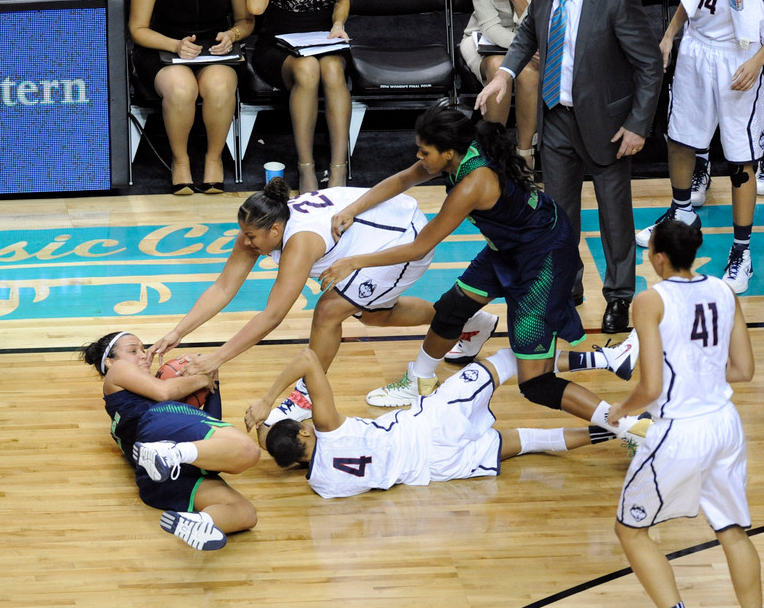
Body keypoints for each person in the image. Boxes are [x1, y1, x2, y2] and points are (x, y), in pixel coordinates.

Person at [318, 105, 647, 436]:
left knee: (536, 382)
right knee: (452, 309)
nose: (419, 157)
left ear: (448, 152)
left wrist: (354, 261)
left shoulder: (473, 184)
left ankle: (630, 425)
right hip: (512, 244)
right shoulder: (463, 150)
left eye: (425, 151)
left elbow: (420, 246)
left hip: (542, 260)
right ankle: (419, 381)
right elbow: (405, 177)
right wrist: (353, 208)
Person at [151, 178, 498, 415]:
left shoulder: (300, 242)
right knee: (375, 314)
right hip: (375, 228)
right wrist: (177, 333)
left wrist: (217, 359)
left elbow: (272, 316)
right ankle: (469, 322)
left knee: (330, 310)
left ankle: (305, 397)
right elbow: (223, 288)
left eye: (251, 236)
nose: (245, 243)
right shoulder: (262, 228)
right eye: (243, 234)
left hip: (403, 239)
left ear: (275, 230)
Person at [474, 0, 663, 334]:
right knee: (559, 216)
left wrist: (637, 125)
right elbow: (528, 35)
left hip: (610, 127)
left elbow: (649, 67)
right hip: (556, 118)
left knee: (615, 218)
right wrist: (504, 75)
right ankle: (566, 287)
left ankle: (619, 296)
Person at [607, 219, 761, 608]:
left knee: (630, 531)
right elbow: (744, 370)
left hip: (680, 431)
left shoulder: (650, 300)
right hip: (726, 425)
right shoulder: (724, 290)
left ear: (659, 257)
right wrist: (700, 373)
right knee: (731, 529)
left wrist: (621, 409)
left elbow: (652, 387)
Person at [250, 348, 625, 499]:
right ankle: (607, 356)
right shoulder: (327, 426)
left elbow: (281, 450)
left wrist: (270, 436)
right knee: (511, 358)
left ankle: (618, 430)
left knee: (528, 441)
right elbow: (308, 358)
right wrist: (267, 403)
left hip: (436, 468)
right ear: (304, 430)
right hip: (432, 425)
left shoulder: (322, 485)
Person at [634, 0, 764, 295]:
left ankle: (742, 251)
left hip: (739, 55)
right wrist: (669, 35)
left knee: (740, 158)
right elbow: (691, 0)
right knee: (680, 138)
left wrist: (759, 59)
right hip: (696, 48)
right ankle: (681, 211)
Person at [82, 331, 259, 550]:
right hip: (160, 440)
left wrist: (214, 381)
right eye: (133, 350)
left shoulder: (133, 414)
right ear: (109, 362)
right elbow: (164, 391)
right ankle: (171, 453)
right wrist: (203, 376)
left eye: (144, 349)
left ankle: (199, 522)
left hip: (157, 479)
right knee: (249, 450)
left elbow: (212, 425)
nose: (143, 355)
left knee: (245, 512)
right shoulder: (119, 370)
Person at [128, 0, 253, 194]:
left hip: (214, 47)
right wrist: (175, 45)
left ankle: (213, 159)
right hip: (162, 45)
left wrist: (232, 35)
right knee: (182, 88)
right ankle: (181, 161)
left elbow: (246, 22)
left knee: (219, 86)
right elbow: (137, 29)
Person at [245, 0, 354, 193]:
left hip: (324, 39)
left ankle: (339, 167)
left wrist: (338, 24)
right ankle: (306, 167)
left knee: (332, 69)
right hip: (278, 45)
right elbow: (255, 6)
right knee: (307, 68)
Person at [460, 0, 540, 166]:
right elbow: (489, 26)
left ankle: (525, 155)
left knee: (529, 71)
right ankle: (494, 154)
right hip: (483, 39)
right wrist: (526, 47)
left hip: (530, 38)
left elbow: (539, 24)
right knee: (498, 68)